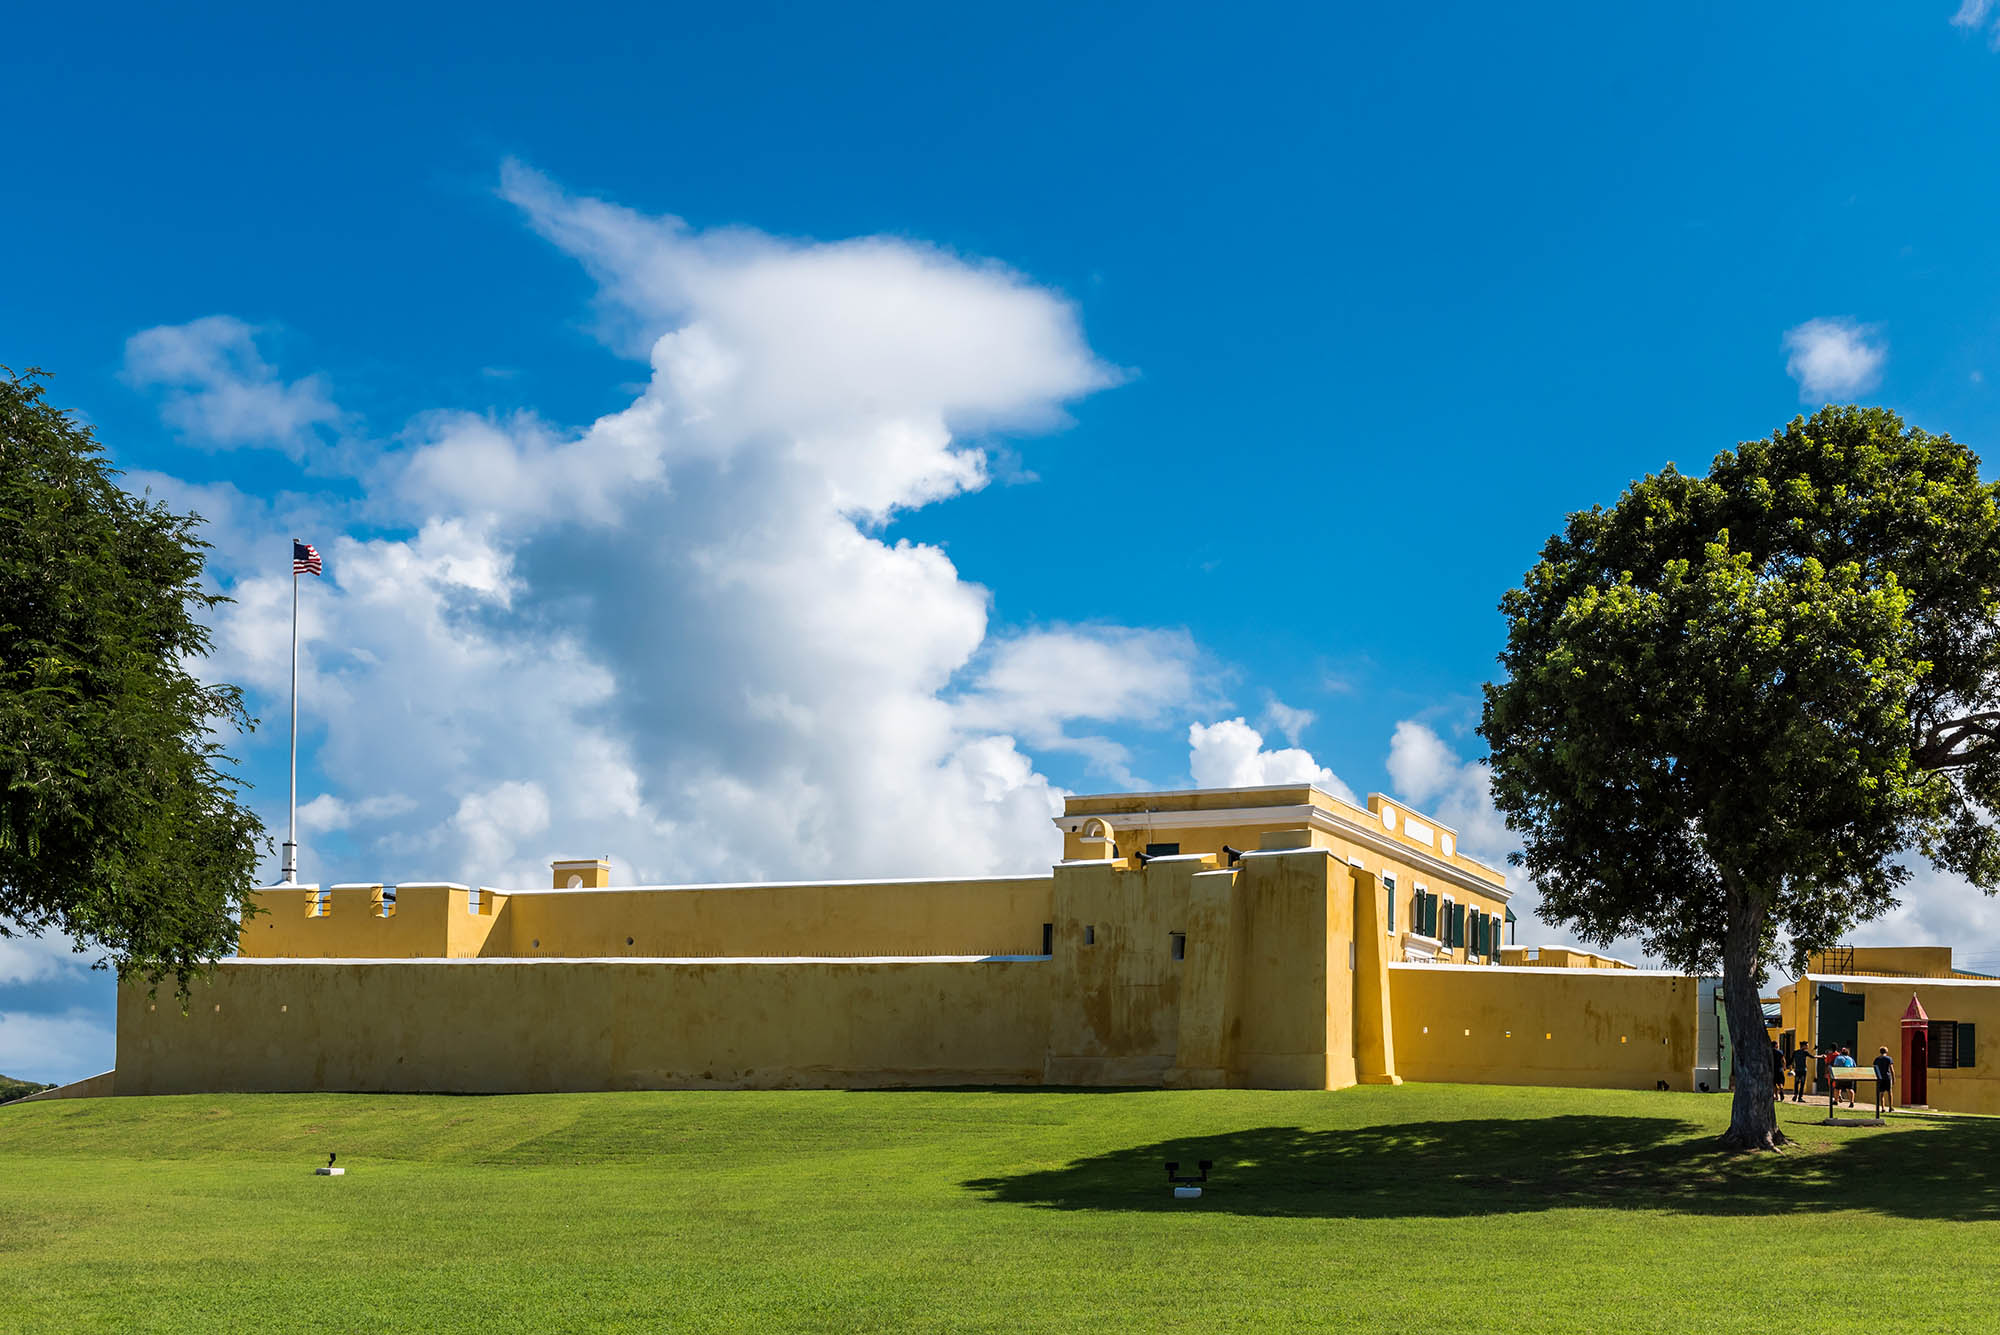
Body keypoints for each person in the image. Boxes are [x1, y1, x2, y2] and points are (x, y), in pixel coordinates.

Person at [1873, 1046, 1895, 1116]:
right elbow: (1891, 1069)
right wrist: (1893, 1078)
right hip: (1887, 1077)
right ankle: (1890, 1107)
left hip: (1880, 1077)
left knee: (1881, 1093)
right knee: (1889, 1092)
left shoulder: (1877, 1059)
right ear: (1886, 1051)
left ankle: (1882, 1108)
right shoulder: (1889, 1059)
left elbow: (1875, 1068)